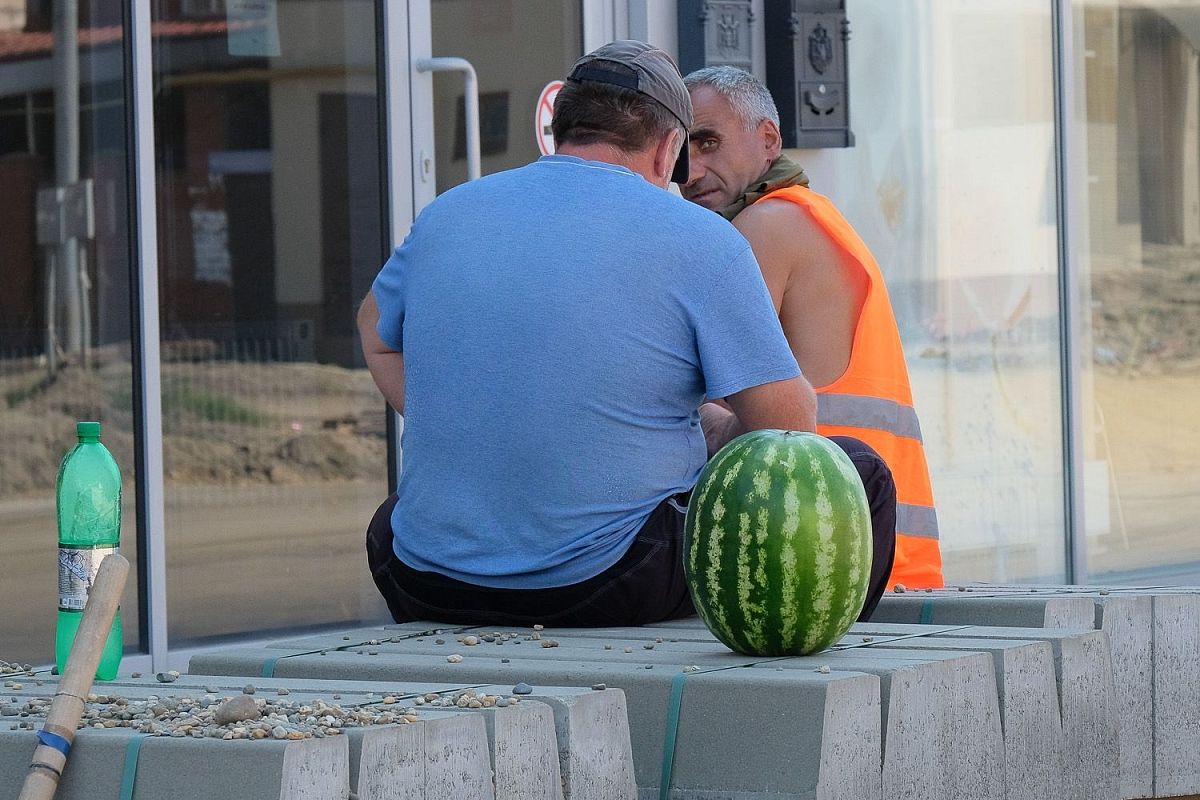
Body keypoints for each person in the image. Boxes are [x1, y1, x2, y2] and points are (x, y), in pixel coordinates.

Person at [356, 40, 818, 628]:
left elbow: (375, 331)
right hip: (608, 580)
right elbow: (790, 429)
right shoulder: (702, 239)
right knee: (862, 471)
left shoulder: (449, 211)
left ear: (558, 130)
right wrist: (713, 425)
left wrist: (464, 420)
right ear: (668, 147)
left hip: (424, 581)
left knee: (401, 513)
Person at [681, 65, 945, 590]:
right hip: (883, 555)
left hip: (825, 548)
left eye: (708, 142)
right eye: (683, 151)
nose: (690, 171)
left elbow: (692, 401)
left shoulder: (765, 226)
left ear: (768, 139)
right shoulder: (817, 216)